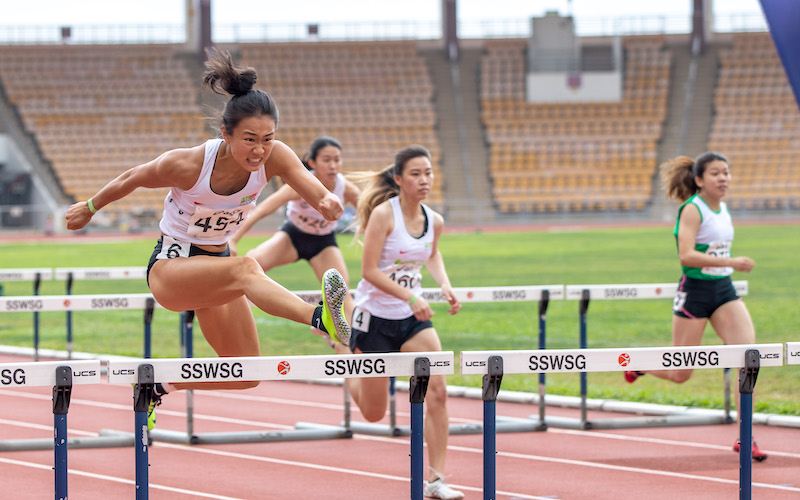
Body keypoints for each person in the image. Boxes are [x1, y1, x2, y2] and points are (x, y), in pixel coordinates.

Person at [64, 48, 351, 428]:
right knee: (247, 266)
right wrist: (90, 205)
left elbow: (307, 183)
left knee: (246, 372)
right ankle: (321, 318)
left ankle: (157, 385)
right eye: (250, 139)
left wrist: (328, 201)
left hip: (215, 270)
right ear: (226, 134)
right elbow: (132, 176)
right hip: (171, 269)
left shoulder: (275, 156)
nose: (259, 150)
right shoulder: (188, 164)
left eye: (268, 139)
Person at [334, 145, 464, 499]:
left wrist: (445, 285)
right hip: (374, 320)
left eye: (429, 173)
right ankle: (344, 353)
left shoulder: (433, 220)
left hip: (411, 322)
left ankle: (436, 480)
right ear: (398, 179)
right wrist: (410, 296)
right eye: (416, 174)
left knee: (437, 391)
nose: (425, 180)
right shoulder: (383, 215)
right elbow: (368, 271)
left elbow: (432, 253)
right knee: (374, 413)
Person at [624, 152, 766, 461]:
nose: (723, 178)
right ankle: (640, 364)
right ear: (700, 180)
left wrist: (726, 266)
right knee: (681, 374)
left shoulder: (724, 209)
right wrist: (730, 261)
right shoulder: (692, 209)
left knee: (748, 358)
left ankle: (746, 436)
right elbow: (686, 255)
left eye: (726, 173)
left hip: (723, 290)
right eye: (716, 173)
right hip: (696, 292)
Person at [229, 136, 360, 339]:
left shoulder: (347, 189)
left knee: (343, 291)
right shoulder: (300, 184)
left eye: (337, 160)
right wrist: (233, 239)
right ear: (314, 163)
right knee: (250, 263)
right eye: (327, 160)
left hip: (323, 243)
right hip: (293, 237)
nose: (333, 165)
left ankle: (349, 343)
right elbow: (262, 210)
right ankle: (228, 312)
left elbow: (371, 216)